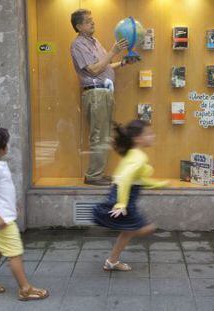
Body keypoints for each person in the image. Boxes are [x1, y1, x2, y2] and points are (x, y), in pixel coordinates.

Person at [0, 127, 48, 301]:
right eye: (6, 143)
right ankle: (25, 289)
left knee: (0, 247)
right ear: (2, 148)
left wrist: (12, 205)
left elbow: (1, 192)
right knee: (14, 253)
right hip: (0, 222)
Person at [70, 9, 136, 186]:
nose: (93, 23)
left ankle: (98, 173)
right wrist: (113, 51)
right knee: (99, 135)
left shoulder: (94, 42)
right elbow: (93, 69)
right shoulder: (78, 45)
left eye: (92, 20)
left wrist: (122, 63)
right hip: (96, 92)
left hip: (104, 92)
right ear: (79, 26)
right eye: (88, 21)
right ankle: (93, 175)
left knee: (104, 135)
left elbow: (105, 66)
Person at [93, 120, 168, 271]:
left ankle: (112, 261)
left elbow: (137, 179)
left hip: (124, 194)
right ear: (138, 139)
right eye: (149, 134)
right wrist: (121, 204)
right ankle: (112, 259)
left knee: (128, 231)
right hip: (124, 196)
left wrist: (158, 185)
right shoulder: (139, 157)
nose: (153, 136)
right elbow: (125, 178)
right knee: (146, 228)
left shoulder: (134, 154)